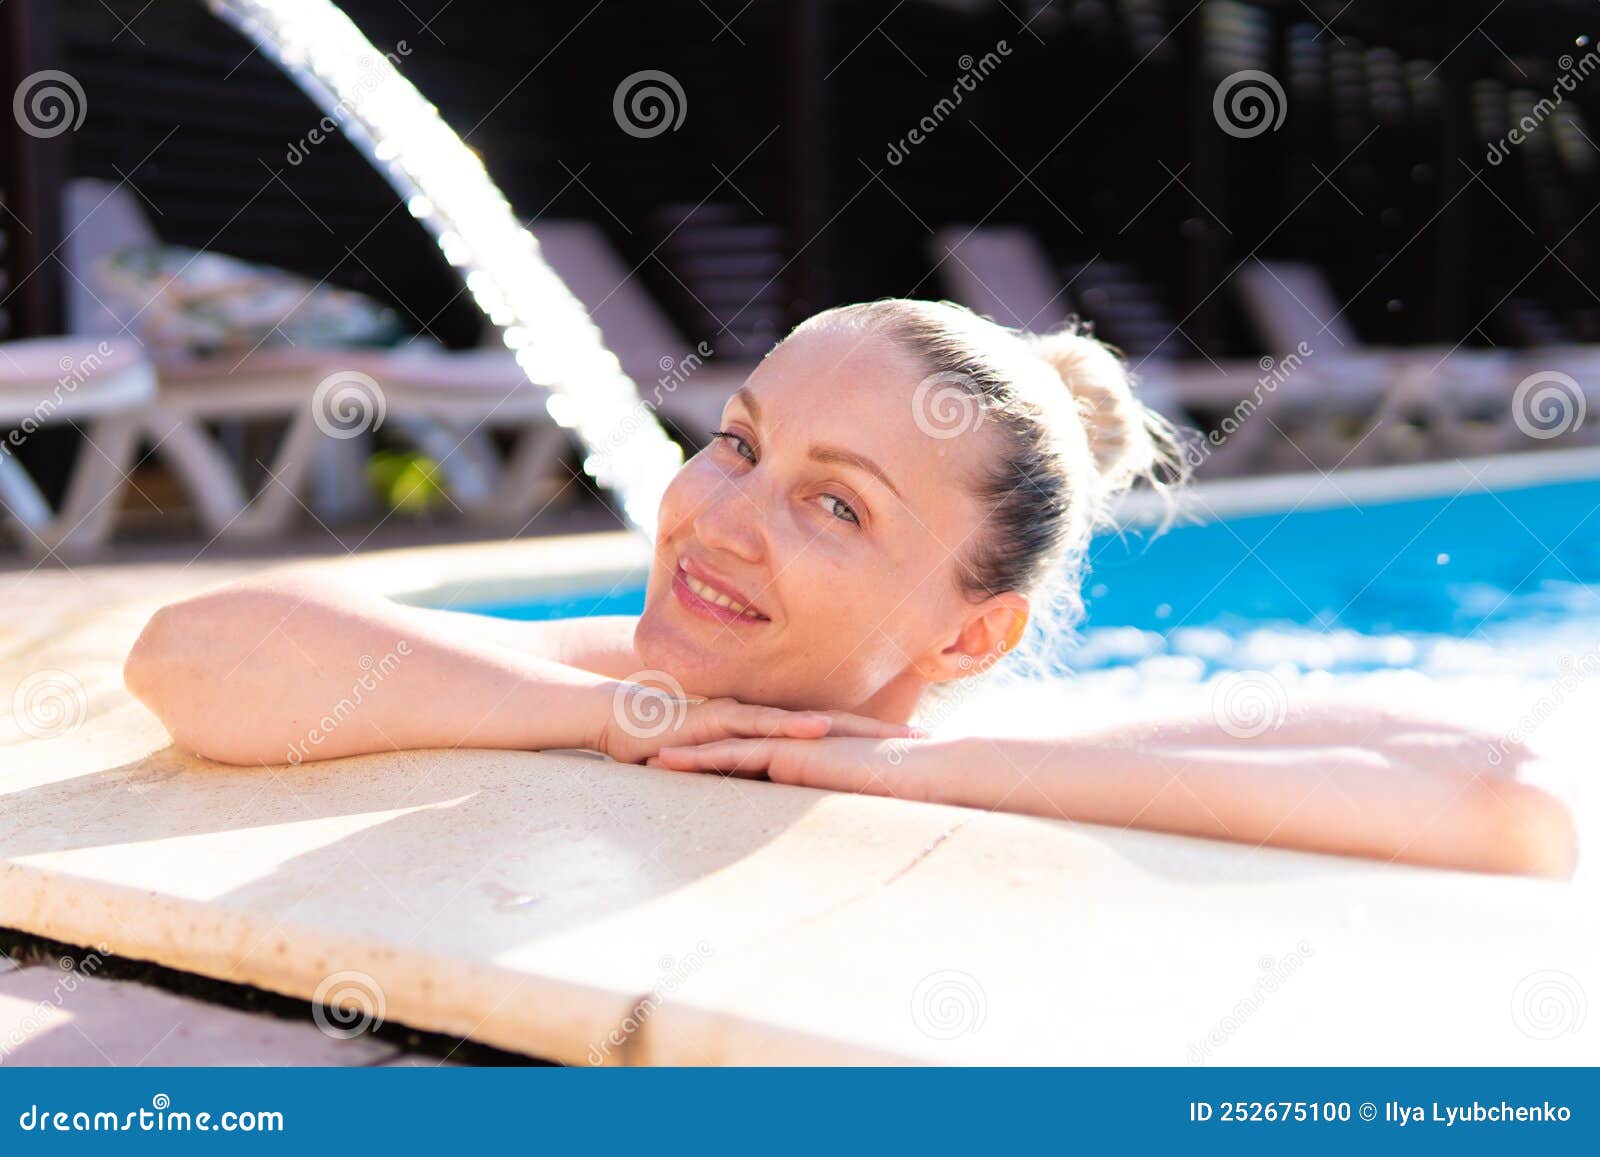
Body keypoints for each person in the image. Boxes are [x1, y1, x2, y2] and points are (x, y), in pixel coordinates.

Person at [123, 299, 1577, 878]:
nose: (719, 521)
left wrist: (940, 767)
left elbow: (1512, 792)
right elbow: (191, 654)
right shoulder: (620, 677)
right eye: (738, 443)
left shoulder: (990, 740)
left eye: (833, 502)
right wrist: (610, 718)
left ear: (972, 632)